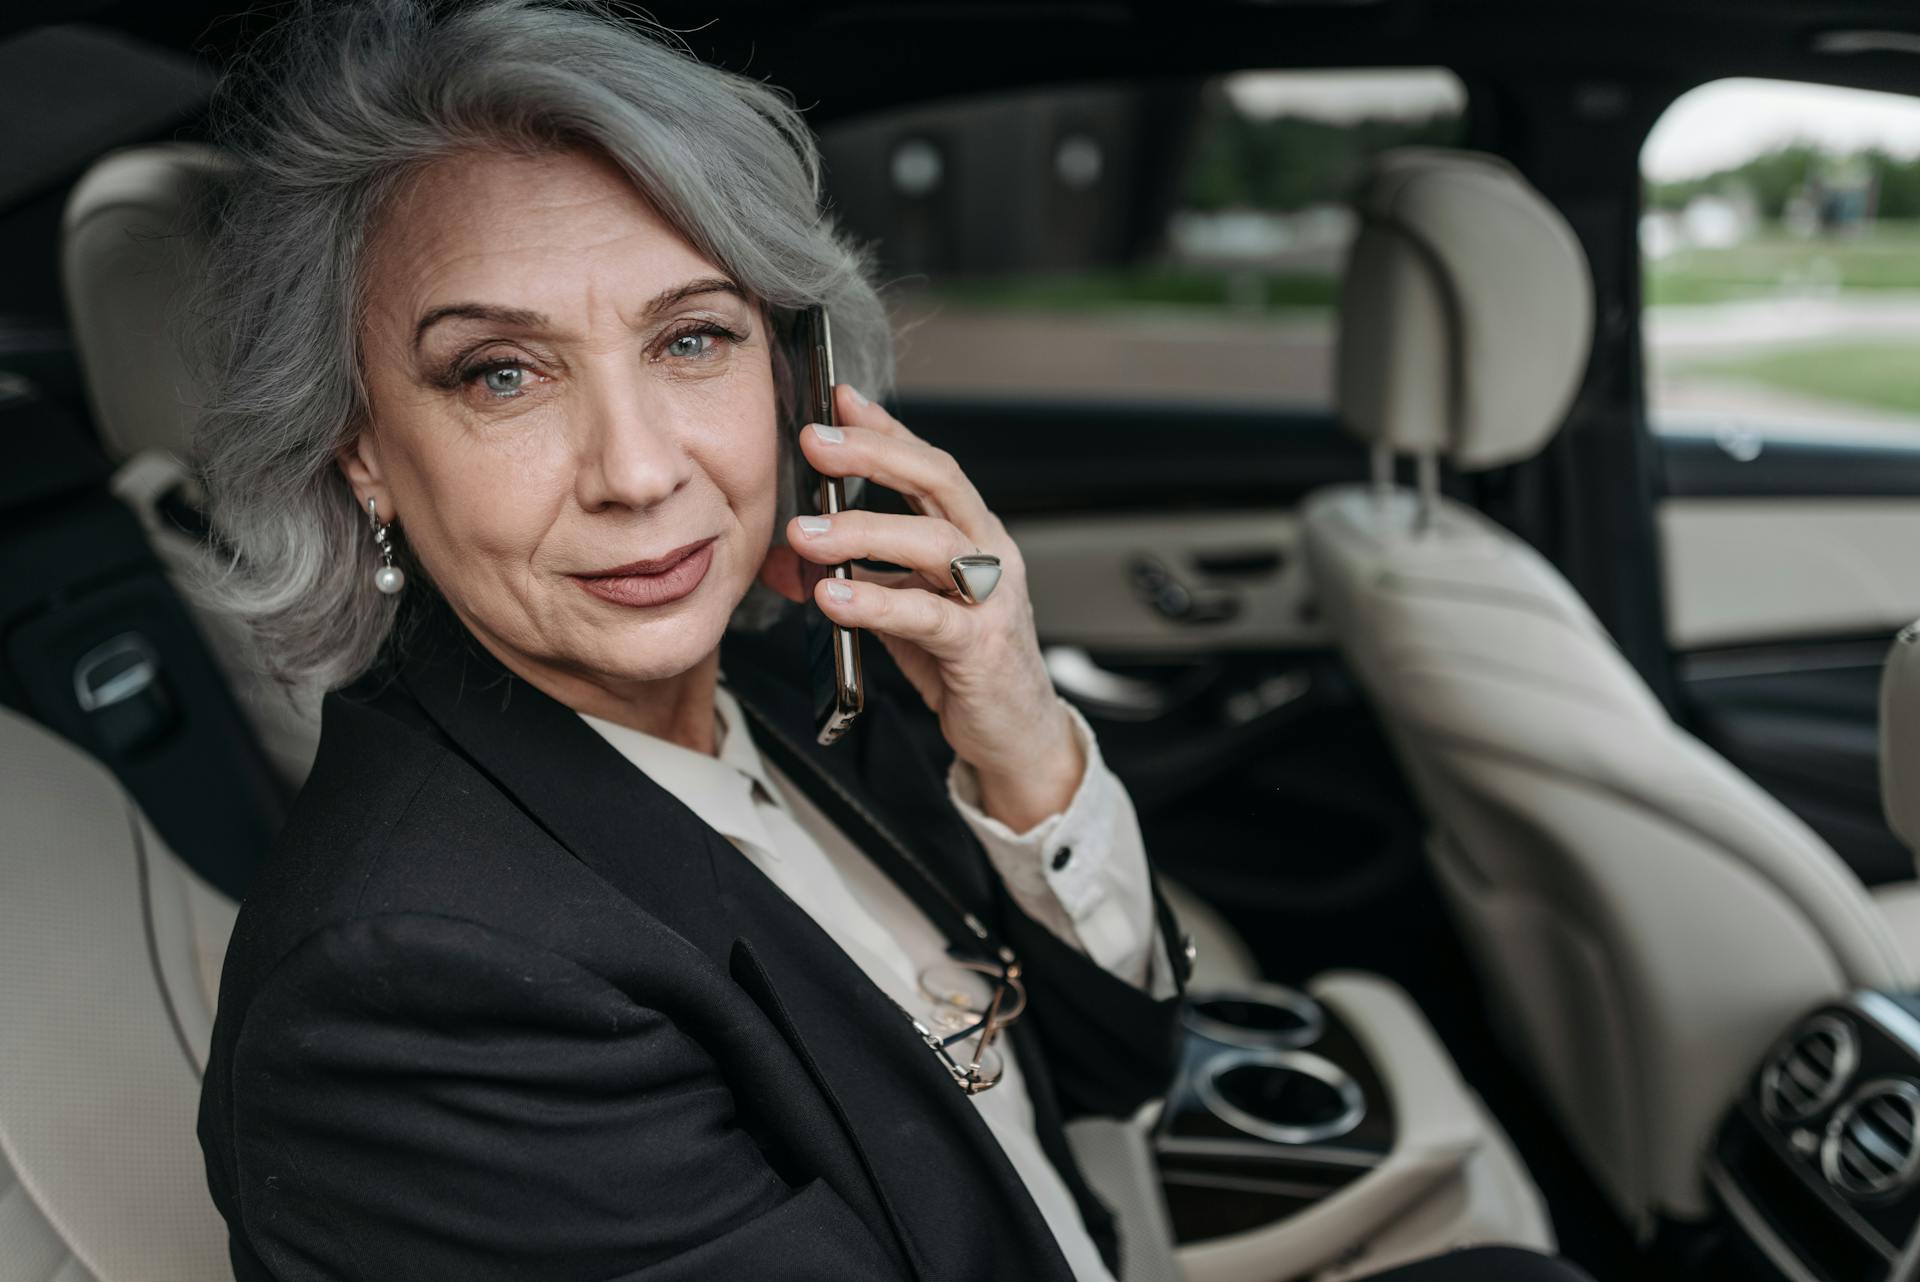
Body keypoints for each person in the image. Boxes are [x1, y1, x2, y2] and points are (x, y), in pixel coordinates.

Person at [190, 3, 1592, 1280]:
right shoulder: (414, 993)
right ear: (363, 450)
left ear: (801, 376)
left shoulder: (791, 678)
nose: (636, 468)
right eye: (503, 372)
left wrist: (1021, 724)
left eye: (693, 341)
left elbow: (1116, 1059)